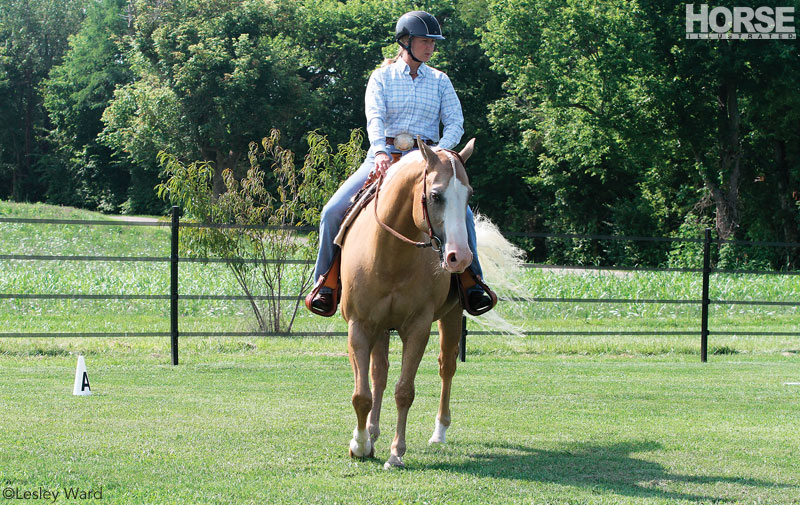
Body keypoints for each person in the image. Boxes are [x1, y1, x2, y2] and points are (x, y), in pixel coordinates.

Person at [309, 10, 493, 314]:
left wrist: (438, 155)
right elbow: (376, 118)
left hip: (426, 164)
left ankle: (473, 284)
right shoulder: (381, 77)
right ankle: (325, 285)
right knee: (331, 212)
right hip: (384, 157)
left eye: (432, 42)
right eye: (424, 41)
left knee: (466, 216)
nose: (430, 47)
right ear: (405, 42)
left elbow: (456, 124)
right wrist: (380, 151)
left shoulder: (440, 81)